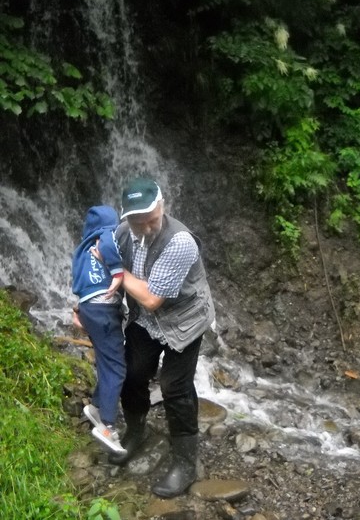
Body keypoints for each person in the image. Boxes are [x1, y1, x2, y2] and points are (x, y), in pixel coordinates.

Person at [107, 176, 215, 498]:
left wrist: (118, 271)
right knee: (133, 372)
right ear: (128, 219)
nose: (150, 225)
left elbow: (153, 297)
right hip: (146, 319)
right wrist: (89, 308)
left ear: (162, 205)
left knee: (174, 386)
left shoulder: (180, 241)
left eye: (154, 217)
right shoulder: (122, 234)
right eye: (142, 222)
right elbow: (111, 284)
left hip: (185, 320)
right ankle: (136, 430)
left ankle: (185, 461)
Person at [72, 205, 126, 454]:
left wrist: (79, 309)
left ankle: (95, 406)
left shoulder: (82, 250)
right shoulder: (107, 236)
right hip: (104, 310)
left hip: (87, 309)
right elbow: (108, 246)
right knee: (116, 367)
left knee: (106, 360)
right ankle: (108, 426)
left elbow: (77, 282)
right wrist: (117, 273)